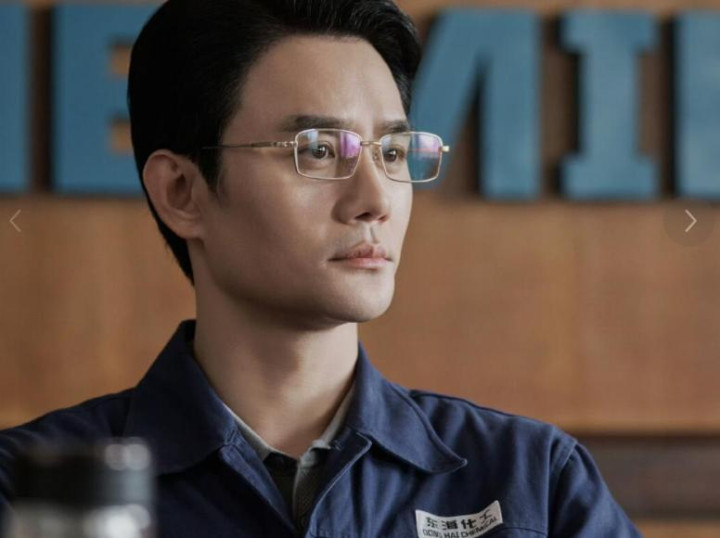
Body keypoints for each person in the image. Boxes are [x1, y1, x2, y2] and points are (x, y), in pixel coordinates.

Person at [0, 0, 641, 536]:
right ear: (182, 193)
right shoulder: (27, 491)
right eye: (319, 150)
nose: (375, 199)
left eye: (393, 151)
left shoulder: (534, 481)